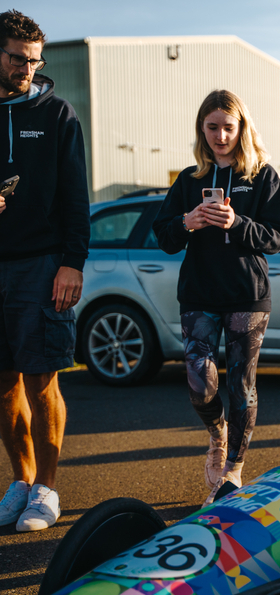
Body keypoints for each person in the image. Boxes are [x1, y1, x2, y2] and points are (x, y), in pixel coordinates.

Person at [153, 90, 280, 506]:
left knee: (241, 385)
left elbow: (277, 237)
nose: (221, 135)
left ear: (241, 128)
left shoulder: (262, 176)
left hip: (247, 295)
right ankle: (217, 433)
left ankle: (233, 468)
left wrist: (239, 222)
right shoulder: (190, 180)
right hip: (199, 292)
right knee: (198, 378)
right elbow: (163, 236)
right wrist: (187, 221)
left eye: (229, 127)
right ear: (202, 129)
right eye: (212, 127)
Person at [0, 10, 89, 532]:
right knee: (4, 384)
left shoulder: (57, 114)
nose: (28, 69)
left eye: (35, 61)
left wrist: (71, 263)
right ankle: (21, 481)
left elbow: (76, 197)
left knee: (41, 378)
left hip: (42, 264)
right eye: (18, 58)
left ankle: (48, 489)